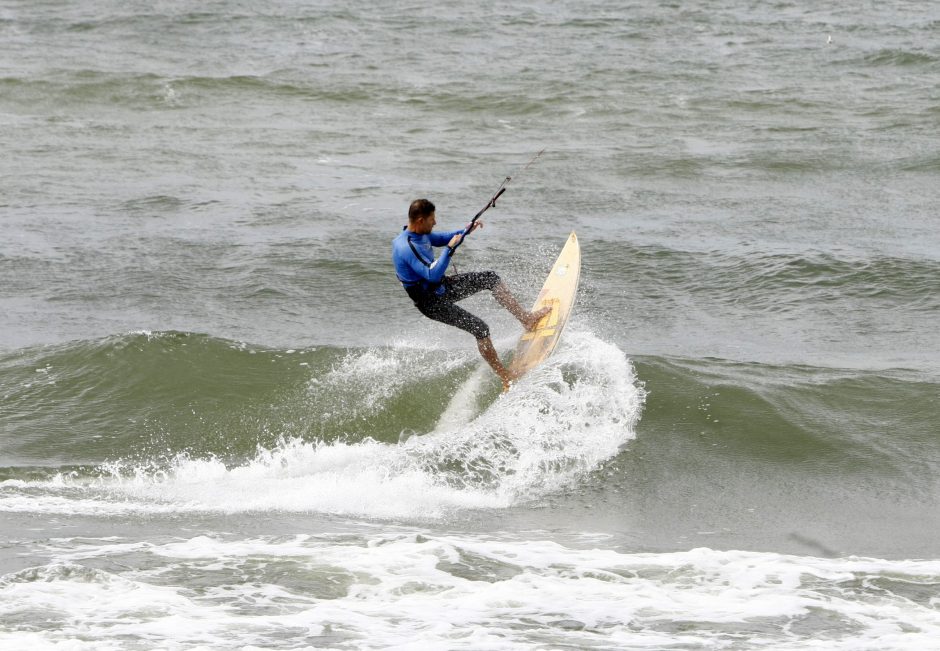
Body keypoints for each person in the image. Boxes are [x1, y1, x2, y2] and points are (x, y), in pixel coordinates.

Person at [392, 198, 550, 390]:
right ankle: (505, 376)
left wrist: (465, 230)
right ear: (420, 220)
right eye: (432, 219)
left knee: (490, 278)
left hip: (442, 287)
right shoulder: (406, 247)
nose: (435, 222)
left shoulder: (420, 234)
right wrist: (450, 249)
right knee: (481, 329)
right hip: (430, 302)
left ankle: (527, 319)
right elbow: (432, 275)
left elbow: (442, 238)